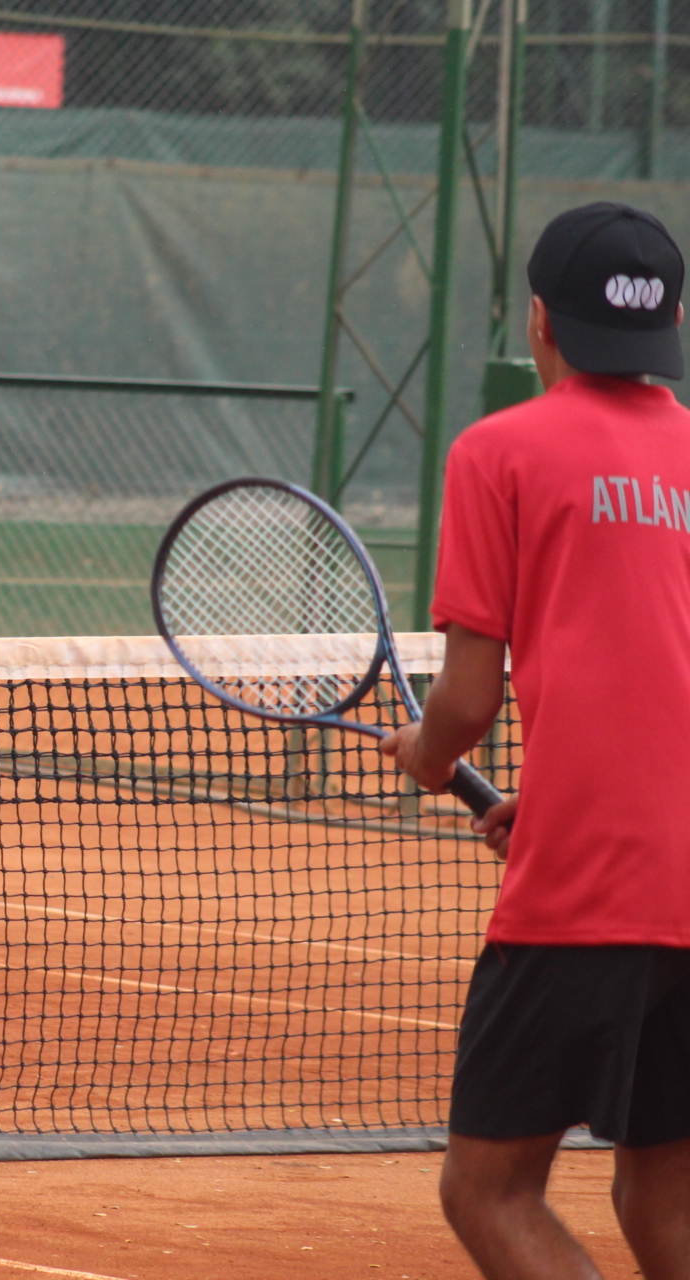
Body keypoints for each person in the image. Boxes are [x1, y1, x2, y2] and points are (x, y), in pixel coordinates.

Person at [383, 202, 690, 1280]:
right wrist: (557, 797)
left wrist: (426, 757)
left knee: (489, 1188)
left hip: (586, 889)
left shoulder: (497, 451)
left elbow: (463, 706)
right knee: (666, 1197)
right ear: (674, 322)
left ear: (541, 320)